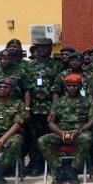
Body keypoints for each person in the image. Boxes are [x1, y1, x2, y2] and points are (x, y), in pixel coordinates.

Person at [37, 74, 93, 184]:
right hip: (61, 132)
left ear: (80, 86)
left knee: (87, 139)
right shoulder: (58, 102)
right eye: (69, 86)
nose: (71, 88)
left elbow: (92, 121)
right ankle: (59, 171)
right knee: (42, 140)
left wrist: (78, 132)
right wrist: (60, 132)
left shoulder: (88, 101)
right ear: (65, 87)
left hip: (80, 133)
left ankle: (73, 170)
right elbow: (51, 122)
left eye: (74, 85)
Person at [25, 37, 62, 176]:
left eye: (45, 47)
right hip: (34, 108)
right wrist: (27, 109)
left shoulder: (57, 66)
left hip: (50, 108)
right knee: (34, 139)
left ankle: (52, 164)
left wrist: (55, 109)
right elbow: (26, 89)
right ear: (35, 49)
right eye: (39, 47)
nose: (42, 49)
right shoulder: (28, 66)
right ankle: (37, 164)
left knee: (50, 137)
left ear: (51, 49)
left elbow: (57, 90)